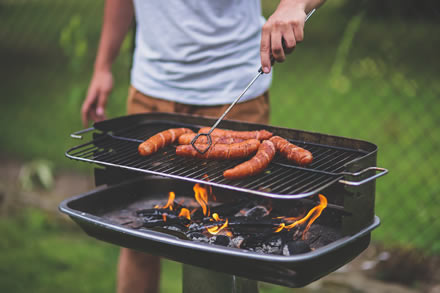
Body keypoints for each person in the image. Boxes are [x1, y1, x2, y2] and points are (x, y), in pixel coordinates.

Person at [81, 1, 325, 292]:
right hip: (151, 91)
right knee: (137, 237)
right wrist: (102, 66)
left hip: (233, 92)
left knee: (232, 245)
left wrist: (294, 5)